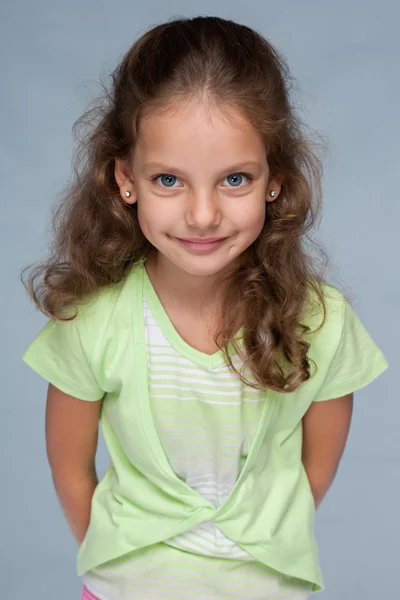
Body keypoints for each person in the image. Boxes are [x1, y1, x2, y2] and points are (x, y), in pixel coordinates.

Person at [21, 15, 388, 600]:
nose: (202, 214)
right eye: (169, 179)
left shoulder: (321, 321)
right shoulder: (93, 323)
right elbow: (70, 469)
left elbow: (314, 471)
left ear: (275, 179)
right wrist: (129, 565)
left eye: (234, 179)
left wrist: (262, 542)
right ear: (125, 179)